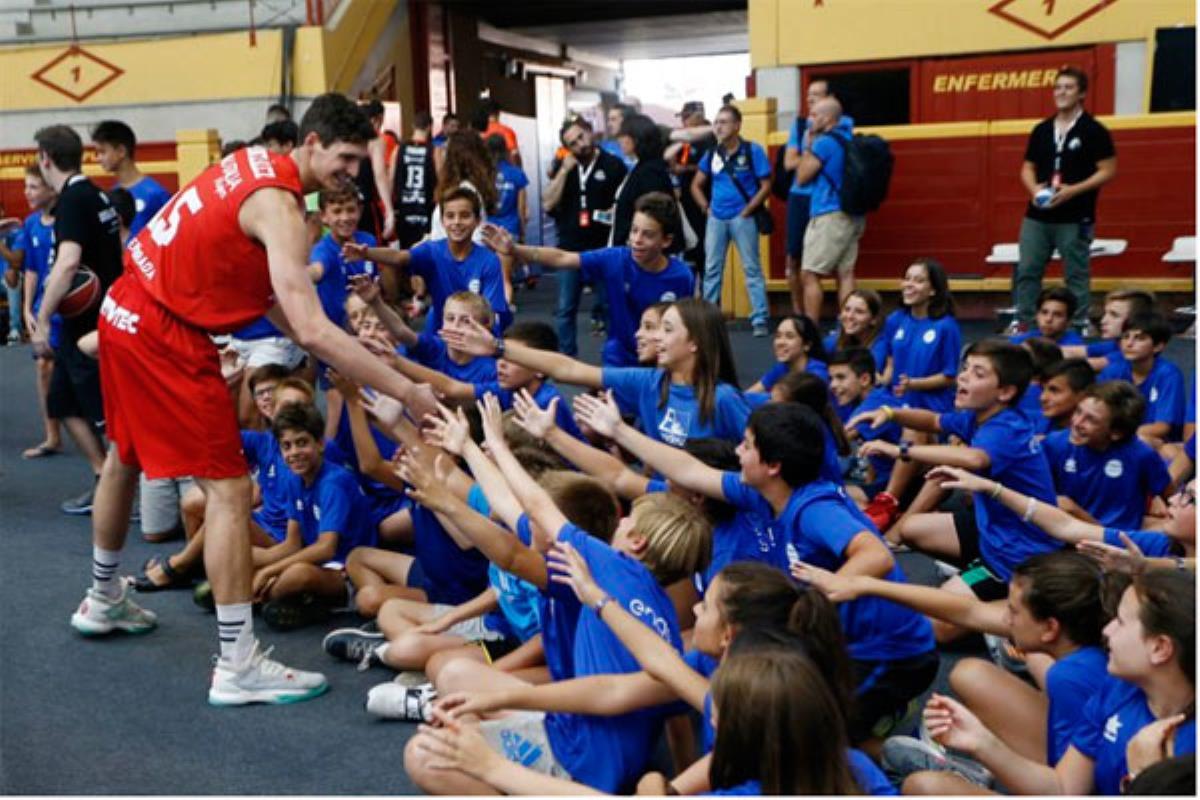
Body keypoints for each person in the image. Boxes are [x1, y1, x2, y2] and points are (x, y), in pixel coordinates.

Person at [66, 93, 440, 706]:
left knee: (123, 456)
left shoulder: (246, 167)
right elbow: (314, 326)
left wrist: (315, 340)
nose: (351, 171)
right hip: (167, 332)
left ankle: (103, 598)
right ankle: (238, 664)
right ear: (312, 143)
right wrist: (406, 387)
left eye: (360, 159)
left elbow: (268, 302)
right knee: (232, 491)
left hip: (124, 310)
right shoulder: (282, 207)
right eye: (345, 157)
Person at [574, 397, 938, 744]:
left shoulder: (813, 508)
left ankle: (890, 723)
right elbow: (689, 469)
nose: (737, 452)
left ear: (773, 465)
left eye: (746, 446)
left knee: (806, 738)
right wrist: (619, 431)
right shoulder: (761, 492)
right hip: (836, 640)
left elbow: (877, 554)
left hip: (886, 654)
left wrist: (827, 587)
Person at [916, 569, 1195, 796]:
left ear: (1160, 648)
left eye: (1120, 622)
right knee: (926, 787)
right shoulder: (1118, 688)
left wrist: (1142, 779)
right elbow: (1063, 788)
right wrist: (981, 742)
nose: (1107, 631)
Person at [852, 341, 1063, 633]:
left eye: (977, 373)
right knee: (912, 528)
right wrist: (890, 413)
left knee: (934, 626)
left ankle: (1007, 623)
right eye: (965, 369)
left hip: (1016, 556)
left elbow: (974, 458)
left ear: (1005, 392)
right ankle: (977, 583)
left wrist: (899, 450)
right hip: (994, 533)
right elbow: (934, 420)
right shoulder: (978, 416)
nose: (963, 377)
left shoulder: (1007, 427)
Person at [444, 298, 749, 447]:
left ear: (695, 342)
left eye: (666, 330)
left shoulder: (723, 399)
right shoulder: (648, 382)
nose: (655, 338)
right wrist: (498, 347)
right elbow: (568, 368)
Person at [481, 192, 693, 367]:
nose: (637, 240)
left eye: (647, 234)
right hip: (619, 358)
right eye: (634, 231)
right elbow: (562, 257)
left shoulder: (682, 277)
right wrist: (514, 249)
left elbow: (687, 330)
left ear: (666, 240)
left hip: (662, 362)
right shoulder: (616, 259)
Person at [30, 125, 122, 517]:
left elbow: (68, 265)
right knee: (61, 402)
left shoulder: (73, 201)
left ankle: (129, 490)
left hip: (90, 327)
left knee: (106, 417)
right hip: (85, 324)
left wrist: (42, 318)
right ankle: (104, 476)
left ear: (45, 158)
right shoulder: (97, 194)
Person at [1012, 67, 1117, 336]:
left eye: (1068, 87)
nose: (1061, 92)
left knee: (1076, 272)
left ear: (1081, 93)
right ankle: (1024, 319)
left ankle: (1079, 323)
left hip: (1075, 214)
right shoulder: (1042, 130)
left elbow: (1108, 170)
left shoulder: (1094, 130)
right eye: (1058, 87)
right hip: (1038, 214)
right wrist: (1035, 190)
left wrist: (1073, 190)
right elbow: (1027, 168)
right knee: (1027, 269)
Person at [861, 259, 962, 530]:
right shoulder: (896, 320)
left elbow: (950, 375)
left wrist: (915, 383)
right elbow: (893, 359)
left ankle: (889, 502)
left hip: (932, 409)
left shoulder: (946, 326)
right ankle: (878, 491)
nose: (909, 285)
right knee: (866, 419)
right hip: (899, 402)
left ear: (933, 290)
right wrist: (885, 378)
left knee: (910, 428)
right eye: (907, 278)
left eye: (918, 280)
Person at [347, 186, 510, 334]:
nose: (457, 222)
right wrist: (366, 253)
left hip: (476, 337)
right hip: (438, 334)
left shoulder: (489, 261)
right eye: (450, 216)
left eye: (465, 215)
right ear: (442, 221)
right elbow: (400, 257)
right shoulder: (431, 250)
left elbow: (493, 313)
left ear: (477, 221)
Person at [543, 116, 627, 358]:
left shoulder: (613, 165)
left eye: (581, 136)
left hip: (602, 249)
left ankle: (615, 358)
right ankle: (567, 359)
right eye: (572, 143)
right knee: (564, 309)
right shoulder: (565, 168)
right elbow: (548, 202)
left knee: (611, 306)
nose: (579, 144)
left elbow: (624, 204)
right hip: (569, 249)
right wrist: (564, 171)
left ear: (590, 132)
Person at [1042, 381, 1170, 529]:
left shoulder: (1142, 455)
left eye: (1091, 420)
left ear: (1116, 433)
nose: (1077, 423)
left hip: (1118, 543)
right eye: (1078, 411)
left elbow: (1170, 495)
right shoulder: (1054, 444)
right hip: (1063, 537)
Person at [691, 105, 772, 336]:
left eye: (724, 122)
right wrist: (706, 208)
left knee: (752, 268)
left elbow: (766, 185)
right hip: (716, 217)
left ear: (737, 125)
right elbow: (696, 184)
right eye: (716, 122)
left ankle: (759, 319)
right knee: (712, 268)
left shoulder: (752, 150)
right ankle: (708, 321)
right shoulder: (712, 153)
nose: (718, 126)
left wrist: (748, 209)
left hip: (742, 217)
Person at [793, 96, 864, 322]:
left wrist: (808, 143)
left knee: (809, 273)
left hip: (828, 214)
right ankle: (850, 327)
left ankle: (810, 330)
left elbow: (802, 176)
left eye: (813, 115)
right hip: (852, 213)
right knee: (845, 273)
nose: (810, 120)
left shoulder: (823, 143)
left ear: (826, 118)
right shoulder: (849, 137)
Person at [12, 166, 63, 458]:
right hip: (42, 310)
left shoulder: (67, 222)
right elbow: (30, 269)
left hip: (68, 310)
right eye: (26, 186)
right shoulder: (31, 224)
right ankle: (51, 435)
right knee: (43, 368)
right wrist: (28, 309)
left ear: (51, 189)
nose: (27, 192)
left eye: (33, 187)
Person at [782, 80, 842, 314]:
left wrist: (809, 157)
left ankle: (843, 317)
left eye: (816, 95)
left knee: (838, 266)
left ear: (829, 98)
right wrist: (811, 155)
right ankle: (799, 315)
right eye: (808, 96)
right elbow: (789, 163)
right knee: (794, 259)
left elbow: (804, 168)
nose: (810, 100)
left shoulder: (841, 126)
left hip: (826, 203)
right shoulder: (799, 126)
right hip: (800, 198)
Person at [1097, 311, 1186, 446]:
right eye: (1125, 337)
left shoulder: (1168, 374)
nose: (1129, 343)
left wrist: (1118, 434)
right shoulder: (1112, 371)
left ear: (1158, 346)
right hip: (1116, 435)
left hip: (1160, 442)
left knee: (1144, 442)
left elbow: (1162, 427)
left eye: (1139, 338)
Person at [610, 114, 683, 252]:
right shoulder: (644, 167)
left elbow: (654, 215)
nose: (619, 140)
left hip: (644, 254)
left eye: (623, 135)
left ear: (636, 139)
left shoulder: (649, 171)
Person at [91, 120, 172, 236]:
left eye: (102, 152)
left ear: (121, 151)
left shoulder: (156, 194)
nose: (98, 158)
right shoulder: (110, 196)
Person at [746, 314, 829, 395]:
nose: (780, 342)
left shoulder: (818, 375)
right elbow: (748, 395)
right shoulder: (782, 368)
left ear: (806, 345)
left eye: (789, 336)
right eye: (778, 336)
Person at [392, 110, 437, 249]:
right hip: (426, 209)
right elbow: (442, 182)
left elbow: (390, 179)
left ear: (413, 126)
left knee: (405, 252)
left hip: (404, 209)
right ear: (430, 127)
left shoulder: (398, 149)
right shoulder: (435, 151)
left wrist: (389, 208)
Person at [354, 99, 396, 243]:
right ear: (373, 121)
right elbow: (380, 175)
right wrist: (389, 211)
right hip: (366, 204)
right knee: (371, 252)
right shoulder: (374, 141)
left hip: (344, 202)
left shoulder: (343, 140)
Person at [486, 134, 528, 244]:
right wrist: (522, 234)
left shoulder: (483, 174)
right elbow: (521, 209)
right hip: (510, 231)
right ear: (505, 150)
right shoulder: (517, 174)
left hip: (487, 232)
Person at [1037, 357, 1096, 435]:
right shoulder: (1033, 424)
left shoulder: (1090, 440)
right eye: (1042, 389)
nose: (1042, 398)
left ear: (1082, 396)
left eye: (1054, 390)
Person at [1011, 287, 1085, 346]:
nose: (1048, 319)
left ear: (1069, 321)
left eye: (1057, 315)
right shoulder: (1022, 340)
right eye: (1044, 312)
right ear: (1037, 315)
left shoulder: (1074, 346)